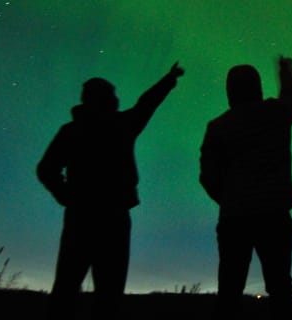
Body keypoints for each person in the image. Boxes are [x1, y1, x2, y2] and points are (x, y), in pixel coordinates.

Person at [37, 61, 184, 319]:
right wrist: (169, 80)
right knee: (107, 294)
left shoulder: (73, 131)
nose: (116, 99)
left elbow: (46, 169)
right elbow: (146, 103)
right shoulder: (120, 126)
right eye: (112, 95)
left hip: (81, 217)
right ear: (105, 99)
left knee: (67, 289)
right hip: (111, 218)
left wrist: (66, 196)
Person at [199, 55, 292, 319]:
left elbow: (208, 176)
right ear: (257, 86)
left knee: (230, 291)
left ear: (229, 90)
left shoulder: (218, 127)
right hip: (274, 214)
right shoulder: (276, 114)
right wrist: (286, 70)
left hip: (234, 218)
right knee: (280, 288)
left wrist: (229, 200)